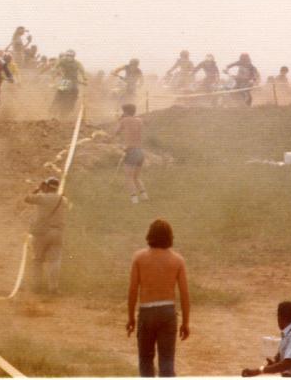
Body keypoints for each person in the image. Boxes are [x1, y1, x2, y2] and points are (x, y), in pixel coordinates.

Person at [127, 219, 190, 378]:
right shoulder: (177, 260)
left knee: (145, 360)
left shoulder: (139, 258)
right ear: (170, 237)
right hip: (167, 313)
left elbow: (133, 290)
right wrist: (186, 322)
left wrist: (130, 318)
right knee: (167, 361)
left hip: (146, 312)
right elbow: (184, 294)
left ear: (150, 236)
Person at [24, 176, 70, 294]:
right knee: (54, 261)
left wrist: (38, 188)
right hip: (57, 232)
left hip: (41, 232)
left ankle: (36, 287)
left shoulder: (41, 197)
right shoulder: (63, 200)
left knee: (37, 260)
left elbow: (27, 198)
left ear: (47, 186)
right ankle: (53, 288)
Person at [241, 302, 291, 377]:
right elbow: (282, 364)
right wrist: (273, 365)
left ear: (282, 317)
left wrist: (259, 371)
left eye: (278, 315)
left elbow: (286, 365)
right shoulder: (287, 334)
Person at [116, 103, 148, 203]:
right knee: (136, 177)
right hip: (140, 151)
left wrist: (120, 121)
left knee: (129, 177)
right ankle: (144, 195)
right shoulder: (139, 120)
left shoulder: (124, 120)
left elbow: (116, 132)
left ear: (125, 111)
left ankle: (134, 199)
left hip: (131, 151)